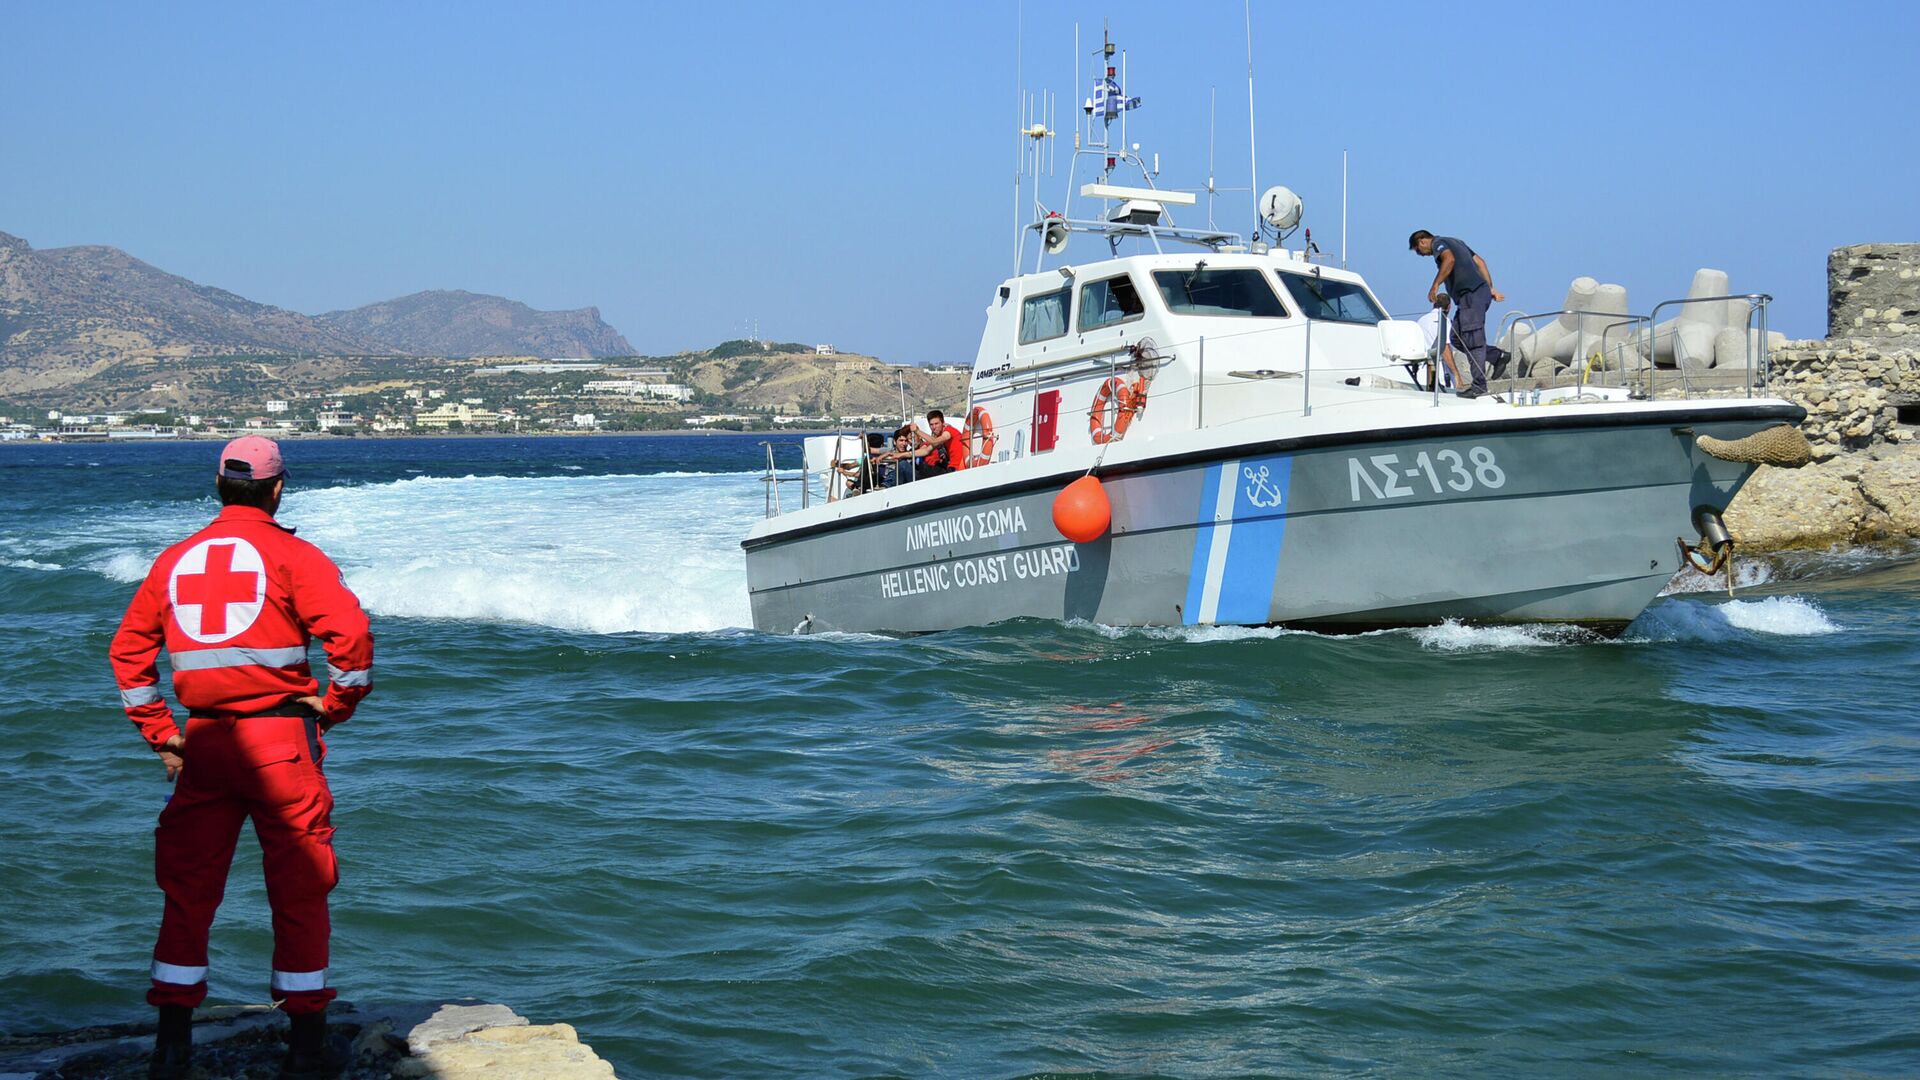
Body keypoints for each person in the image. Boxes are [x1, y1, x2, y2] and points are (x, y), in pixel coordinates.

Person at [109, 435, 373, 1080]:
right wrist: (336, 705)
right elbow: (352, 639)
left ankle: (172, 1047)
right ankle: (306, 1049)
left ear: (221, 488)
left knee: (188, 891)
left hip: (203, 745)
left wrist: (160, 733)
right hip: (281, 746)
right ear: (278, 489)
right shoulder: (293, 554)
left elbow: (128, 653)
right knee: (301, 888)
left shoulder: (174, 560)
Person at [1409, 230, 1505, 398]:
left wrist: (1435, 285)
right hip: (1471, 297)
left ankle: (1479, 387)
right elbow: (1480, 262)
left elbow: (1449, 259)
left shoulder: (1439, 244)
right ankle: (1497, 356)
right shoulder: (1457, 241)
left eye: (1418, 250)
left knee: (1473, 339)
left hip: (1471, 296)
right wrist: (1489, 288)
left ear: (1422, 241)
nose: (1420, 255)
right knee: (1457, 337)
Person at [1415, 293, 1466, 391]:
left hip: (1421, 371)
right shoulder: (1444, 321)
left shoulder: (1421, 320)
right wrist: (1456, 376)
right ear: (1449, 307)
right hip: (1438, 375)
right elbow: (1444, 348)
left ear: (1434, 304)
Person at [911, 410, 966, 478]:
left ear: (943, 423)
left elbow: (935, 441)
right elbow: (925, 450)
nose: (934, 427)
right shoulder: (937, 439)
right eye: (931, 424)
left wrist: (917, 431)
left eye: (936, 424)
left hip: (957, 468)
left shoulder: (949, 430)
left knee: (924, 471)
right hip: (949, 468)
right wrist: (901, 455)